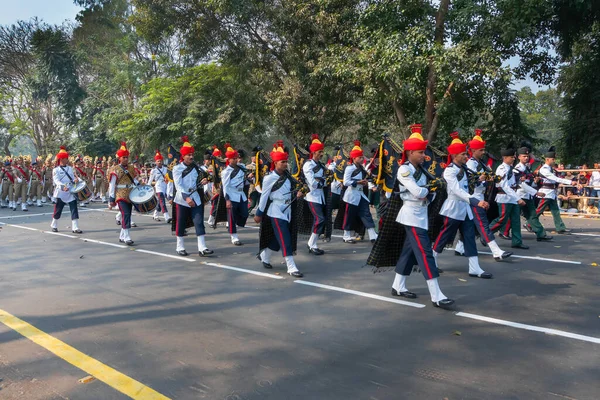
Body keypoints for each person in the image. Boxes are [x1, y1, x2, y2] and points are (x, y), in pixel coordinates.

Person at [391, 124, 454, 308]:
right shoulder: (404, 170)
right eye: (420, 152)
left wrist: (431, 189)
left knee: (408, 253)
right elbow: (418, 192)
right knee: (426, 254)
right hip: (411, 215)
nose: (423, 154)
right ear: (410, 152)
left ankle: (398, 286)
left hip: (420, 214)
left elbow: (428, 192)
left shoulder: (422, 169)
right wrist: (430, 189)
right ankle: (437, 295)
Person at [432, 132, 493, 279]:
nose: (466, 156)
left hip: (465, 208)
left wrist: (479, 179)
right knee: (444, 236)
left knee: (470, 237)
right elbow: (457, 190)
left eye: (466, 154)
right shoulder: (449, 171)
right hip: (453, 208)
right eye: (463, 154)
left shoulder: (465, 169)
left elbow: (468, 185)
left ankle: (475, 268)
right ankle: (431, 261)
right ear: (454, 156)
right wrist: (476, 201)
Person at [454, 129, 512, 261]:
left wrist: (490, 179)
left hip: (480, 196)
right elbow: (472, 181)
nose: (483, 152)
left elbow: (483, 181)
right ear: (473, 151)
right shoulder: (470, 164)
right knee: (482, 224)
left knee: (472, 225)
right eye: (480, 150)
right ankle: (496, 251)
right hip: (473, 197)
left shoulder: (481, 163)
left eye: (483, 149)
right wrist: (484, 179)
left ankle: (459, 246)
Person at [255, 142, 304, 277]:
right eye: (282, 162)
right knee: (285, 238)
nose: (285, 164)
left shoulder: (288, 177)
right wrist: (259, 213)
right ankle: (291, 266)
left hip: (287, 210)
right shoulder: (269, 178)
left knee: (277, 241)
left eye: (286, 161)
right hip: (275, 211)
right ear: (275, 163)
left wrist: (298, 193)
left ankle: (265, 256)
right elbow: (264, 197)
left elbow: (290, 191)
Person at [172, 136, 214, 256]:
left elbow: (207, 177)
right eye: (188, 155)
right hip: (182, 199)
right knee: (180, 222)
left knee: (199, 222)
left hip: (195, 198)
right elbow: (178, 186)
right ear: (183, 156)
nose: (191, 157)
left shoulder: (196, 167)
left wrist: (205, 180)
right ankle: (180, 247)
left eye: (192, 155)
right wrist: (186, 198)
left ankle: (202, 247)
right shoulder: (177, 168)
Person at [489, 145, 529, 249]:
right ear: (505, 157)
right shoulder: (501, 169)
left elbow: (514, 184)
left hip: (512, 198)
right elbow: (504, 186)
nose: (513, 158)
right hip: (504, 198)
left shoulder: (511, 169)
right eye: (511, 157)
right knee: (502, 219)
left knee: (516, 221)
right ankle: (486, 234)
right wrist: (518, 198)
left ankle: (517, 241)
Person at [513, 145, 553, 242]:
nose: (526, 158)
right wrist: (536, 192)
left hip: (527, 195)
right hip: (520, 195)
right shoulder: (517, 168)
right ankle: (494, 232)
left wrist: (535, 182)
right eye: (524, 156)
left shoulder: (527, 167)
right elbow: (521, 184)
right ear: (519, 157)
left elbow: (528, 181)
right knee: (510, 217)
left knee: (532, 215)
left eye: (527, 156)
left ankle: (541, 234)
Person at [341, 141, 378, 243]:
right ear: (354, 158)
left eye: (362, 157)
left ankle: (372, 235)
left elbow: (367, 177)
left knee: (366, 214)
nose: (362, 159)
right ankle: (346, 235)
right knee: (349, 216)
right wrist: (358, 182)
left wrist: (368, 181)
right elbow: (346, 182)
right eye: (360, 157)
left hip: (361, 194)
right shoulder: (349, 168)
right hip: (352, 195)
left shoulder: (361, 168)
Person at [536, 146, 577, 233]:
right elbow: (555, 179)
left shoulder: (551, 169)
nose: (554, 161)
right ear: (547, 159)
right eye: (553, 159)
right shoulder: (544, 169)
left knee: (555, 211)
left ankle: (560, 227)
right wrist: (569, 182)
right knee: (539, 210)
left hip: (551, 193)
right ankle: (530, 223)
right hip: (545, 192)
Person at [108, 142, 139, 245]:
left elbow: (135, 180)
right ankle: (127, 237)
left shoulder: (131, 168)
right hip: (120, 195)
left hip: (130, 194)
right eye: (124, 157)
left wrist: (141, 186)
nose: (126, 159)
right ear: (119, 158)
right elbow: (112, 185)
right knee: (125, 214)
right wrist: (111, 198)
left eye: (127, 157)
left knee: (127, 215)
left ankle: (122, 236)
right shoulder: (115, 169)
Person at [302, 134, 328, 255]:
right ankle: (312, 244)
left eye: (322, 151)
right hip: (312, 195)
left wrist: (321, 180)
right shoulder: (308, 165)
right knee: (320, 219)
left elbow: (325, 180)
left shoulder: (321, 166)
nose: (321, 154)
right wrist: (322, 181)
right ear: (313, 152)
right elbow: (313, 183)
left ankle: (312, 243)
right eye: (319, 152)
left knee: (320, 219)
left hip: (321, 195)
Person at [50, 146, 83, 234]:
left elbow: (73, 178)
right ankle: (54, 225)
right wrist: (62, 186)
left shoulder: (71, 168)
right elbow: (56, 180)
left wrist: (76, 180)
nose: (66, 159)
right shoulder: (55, 170)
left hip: (70, 191)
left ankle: (75, 227)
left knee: (74, 208)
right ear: (61, 159)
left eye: (66, 158)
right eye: (65, 158)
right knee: (58, 209)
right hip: (61, 192)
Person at [221, 144, 249, 245]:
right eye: (234, 158)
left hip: (241, 194)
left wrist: (249, 178)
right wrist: (227, 199)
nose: (236, 160)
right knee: (232, 217)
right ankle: (234, 236)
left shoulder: (242, 167)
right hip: (232, 195)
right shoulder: (226, 172)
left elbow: (245, 180)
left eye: (236, 158)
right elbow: (225, 186)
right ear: (229, 159)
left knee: (245, 213)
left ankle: (236, 224)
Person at [149, 149, 172, 223]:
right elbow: (150, 180)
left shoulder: (166, 169)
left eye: (160, 161)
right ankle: (166, 216)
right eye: (158, 161)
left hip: (166, 185)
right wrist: (148, 188)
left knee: (160, 201)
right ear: (155, 162)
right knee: (162, 200)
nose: (159, 162)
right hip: (158, 186)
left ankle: (155, 214)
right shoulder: (153, 170)